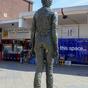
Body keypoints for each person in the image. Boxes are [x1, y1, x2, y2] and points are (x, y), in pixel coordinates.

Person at [31, 0, 57, 88]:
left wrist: (32, 47)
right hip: (49, 41)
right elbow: (54, 32)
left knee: (39, 68)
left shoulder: (36, 14)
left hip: (38, 41)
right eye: (51, 0)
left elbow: (32, 32)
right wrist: (56, 48)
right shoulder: (53, 13)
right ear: (47, 1)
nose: (52, 2)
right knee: (49, 69)